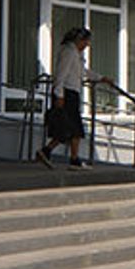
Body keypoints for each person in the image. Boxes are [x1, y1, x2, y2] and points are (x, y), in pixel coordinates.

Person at [38, 27, 97, 169]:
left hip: (72, 93)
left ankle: (48, 151)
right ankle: (73, 159)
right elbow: (61, 74)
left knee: (68, 128)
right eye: (86, 42)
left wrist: (101, 78)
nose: (86, 45)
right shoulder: (69, 52)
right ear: (79, 40)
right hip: (67, 93)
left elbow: (83, 72)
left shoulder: (76, 54)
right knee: (73, 128)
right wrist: (59, 94)